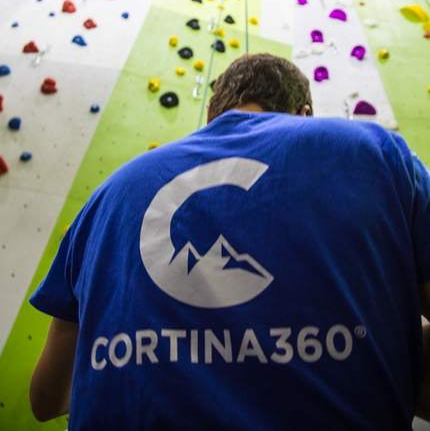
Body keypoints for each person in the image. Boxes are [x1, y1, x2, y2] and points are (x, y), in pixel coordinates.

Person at [29, 53, 430, 430]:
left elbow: (45, 398)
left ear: (209, 115)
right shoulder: (378, 155)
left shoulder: (106, 198)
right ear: (305, 116)